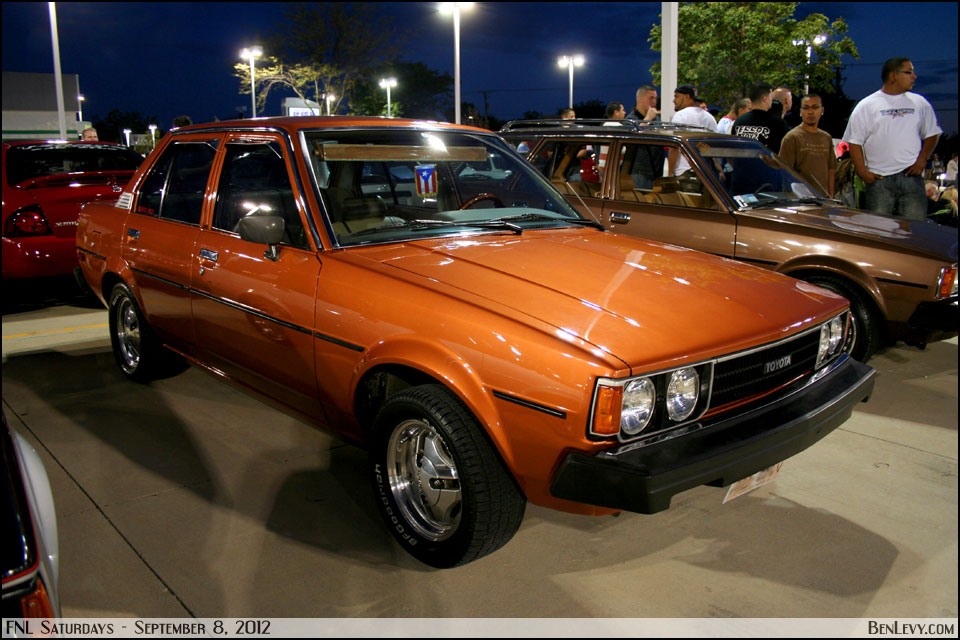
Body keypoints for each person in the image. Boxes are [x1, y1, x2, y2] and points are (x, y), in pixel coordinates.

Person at [843, 57, 942, 221]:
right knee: (879, 231)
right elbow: (854, 142)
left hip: (911, 177)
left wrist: (922, 159)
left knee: (914, 230)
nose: (914, 76)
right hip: (879, 180)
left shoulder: (920, 103)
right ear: (893, 76)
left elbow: (932, 133)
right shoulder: (867, 106)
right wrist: (862, 172)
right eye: (909, 72)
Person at [778, 94, 838, 197]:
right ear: (801, 112)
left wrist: (831, 195)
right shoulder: (792, 137)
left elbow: (831, 168)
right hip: (800, 200)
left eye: (815, 107)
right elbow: (783, 172)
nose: (810, 112)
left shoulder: (826, 137)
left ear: (822, 110)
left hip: (823, 199)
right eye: (806, 108)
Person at [669, 84, 718, 176]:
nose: (674, 100)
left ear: (687, 97)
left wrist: (670, 174)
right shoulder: (709, 117)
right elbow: (713, 149)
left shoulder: (680, 116)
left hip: (684, 173)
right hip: (706, 174)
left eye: (676, 96)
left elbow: (674, 148)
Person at [732, 82, 789, 152]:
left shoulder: (739, 121)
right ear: (764, 99)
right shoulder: (777, 123)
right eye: (771, 97)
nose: (772, 100)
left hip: (741, 161)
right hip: (766, 162)